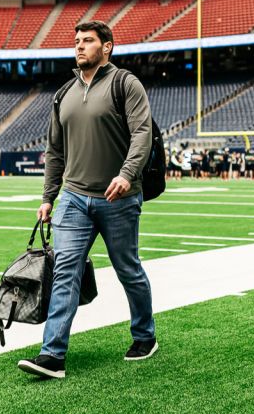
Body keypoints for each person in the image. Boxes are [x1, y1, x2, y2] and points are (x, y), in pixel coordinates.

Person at [20, 20, 156, 380]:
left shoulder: (125, 84)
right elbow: (54, 151)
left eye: (88, 41)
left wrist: (127, 174)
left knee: (128, 270)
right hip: (74, 198)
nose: (80, 46)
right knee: (65, 270)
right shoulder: (62, 93)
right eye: (77, 41)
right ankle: (52, 355)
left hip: (119, 199)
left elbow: (143, 134)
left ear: (107, 46)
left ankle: (145, 335)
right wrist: (48, 197)